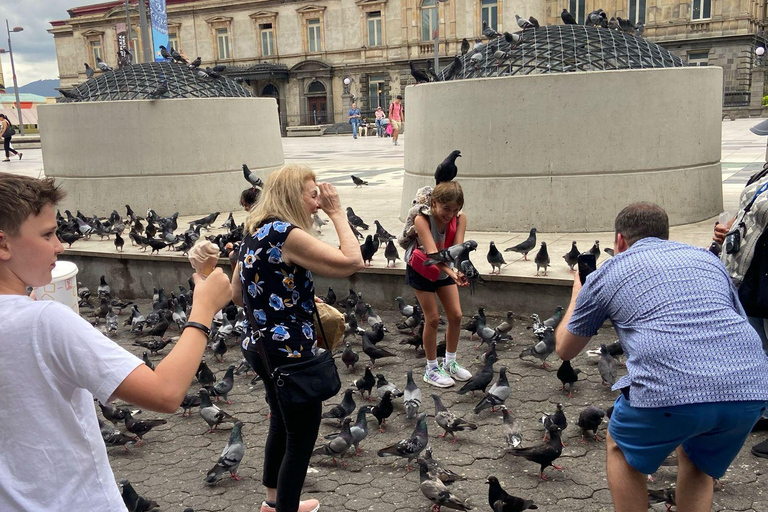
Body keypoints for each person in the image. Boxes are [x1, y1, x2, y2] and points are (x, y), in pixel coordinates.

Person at [0, 174, 233, 511]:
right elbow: (166, 394)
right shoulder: (44, 323)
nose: (60, 245)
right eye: (47, 234)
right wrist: (204, 309)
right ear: (4, 245)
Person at [555, 202, 768, 512]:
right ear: (665, 236)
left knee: (619, 448)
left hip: (669, 389)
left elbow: (565, 349)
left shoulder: (610, 270)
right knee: (697, 462)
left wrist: (578, 292)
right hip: (749, 387)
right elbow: (736, 317)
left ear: (619, 241)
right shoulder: (706, 259)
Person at [231, 164, 363, 512]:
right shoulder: (286, 233)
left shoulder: (254, 230)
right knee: (300, 441)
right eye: (313, 194)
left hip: (259, 347)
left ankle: (272, 503)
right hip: (290, 354)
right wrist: (338, 213)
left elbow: (237, 294)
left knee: (282, 423)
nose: (318, 202)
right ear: (294, 195)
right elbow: (352, 261)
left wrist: (286, 296)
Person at [713, 158, 768, 457]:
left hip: (764, 275)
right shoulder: (763, 172)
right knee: (758, 347)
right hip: (752, 277)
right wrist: (729, 231)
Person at [404, 181, 471, 388]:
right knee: (432, 319)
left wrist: (459, 270)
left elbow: (457, 249)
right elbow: (432, 253)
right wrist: (452, 272)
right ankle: (431, 368)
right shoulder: (422, 219)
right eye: (446, 208)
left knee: (456, 315)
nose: (450, 214)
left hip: (444, 267)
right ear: (434, 203)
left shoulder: (460, 219)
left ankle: (449, 362)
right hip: (422, 267)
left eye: (455, 209)